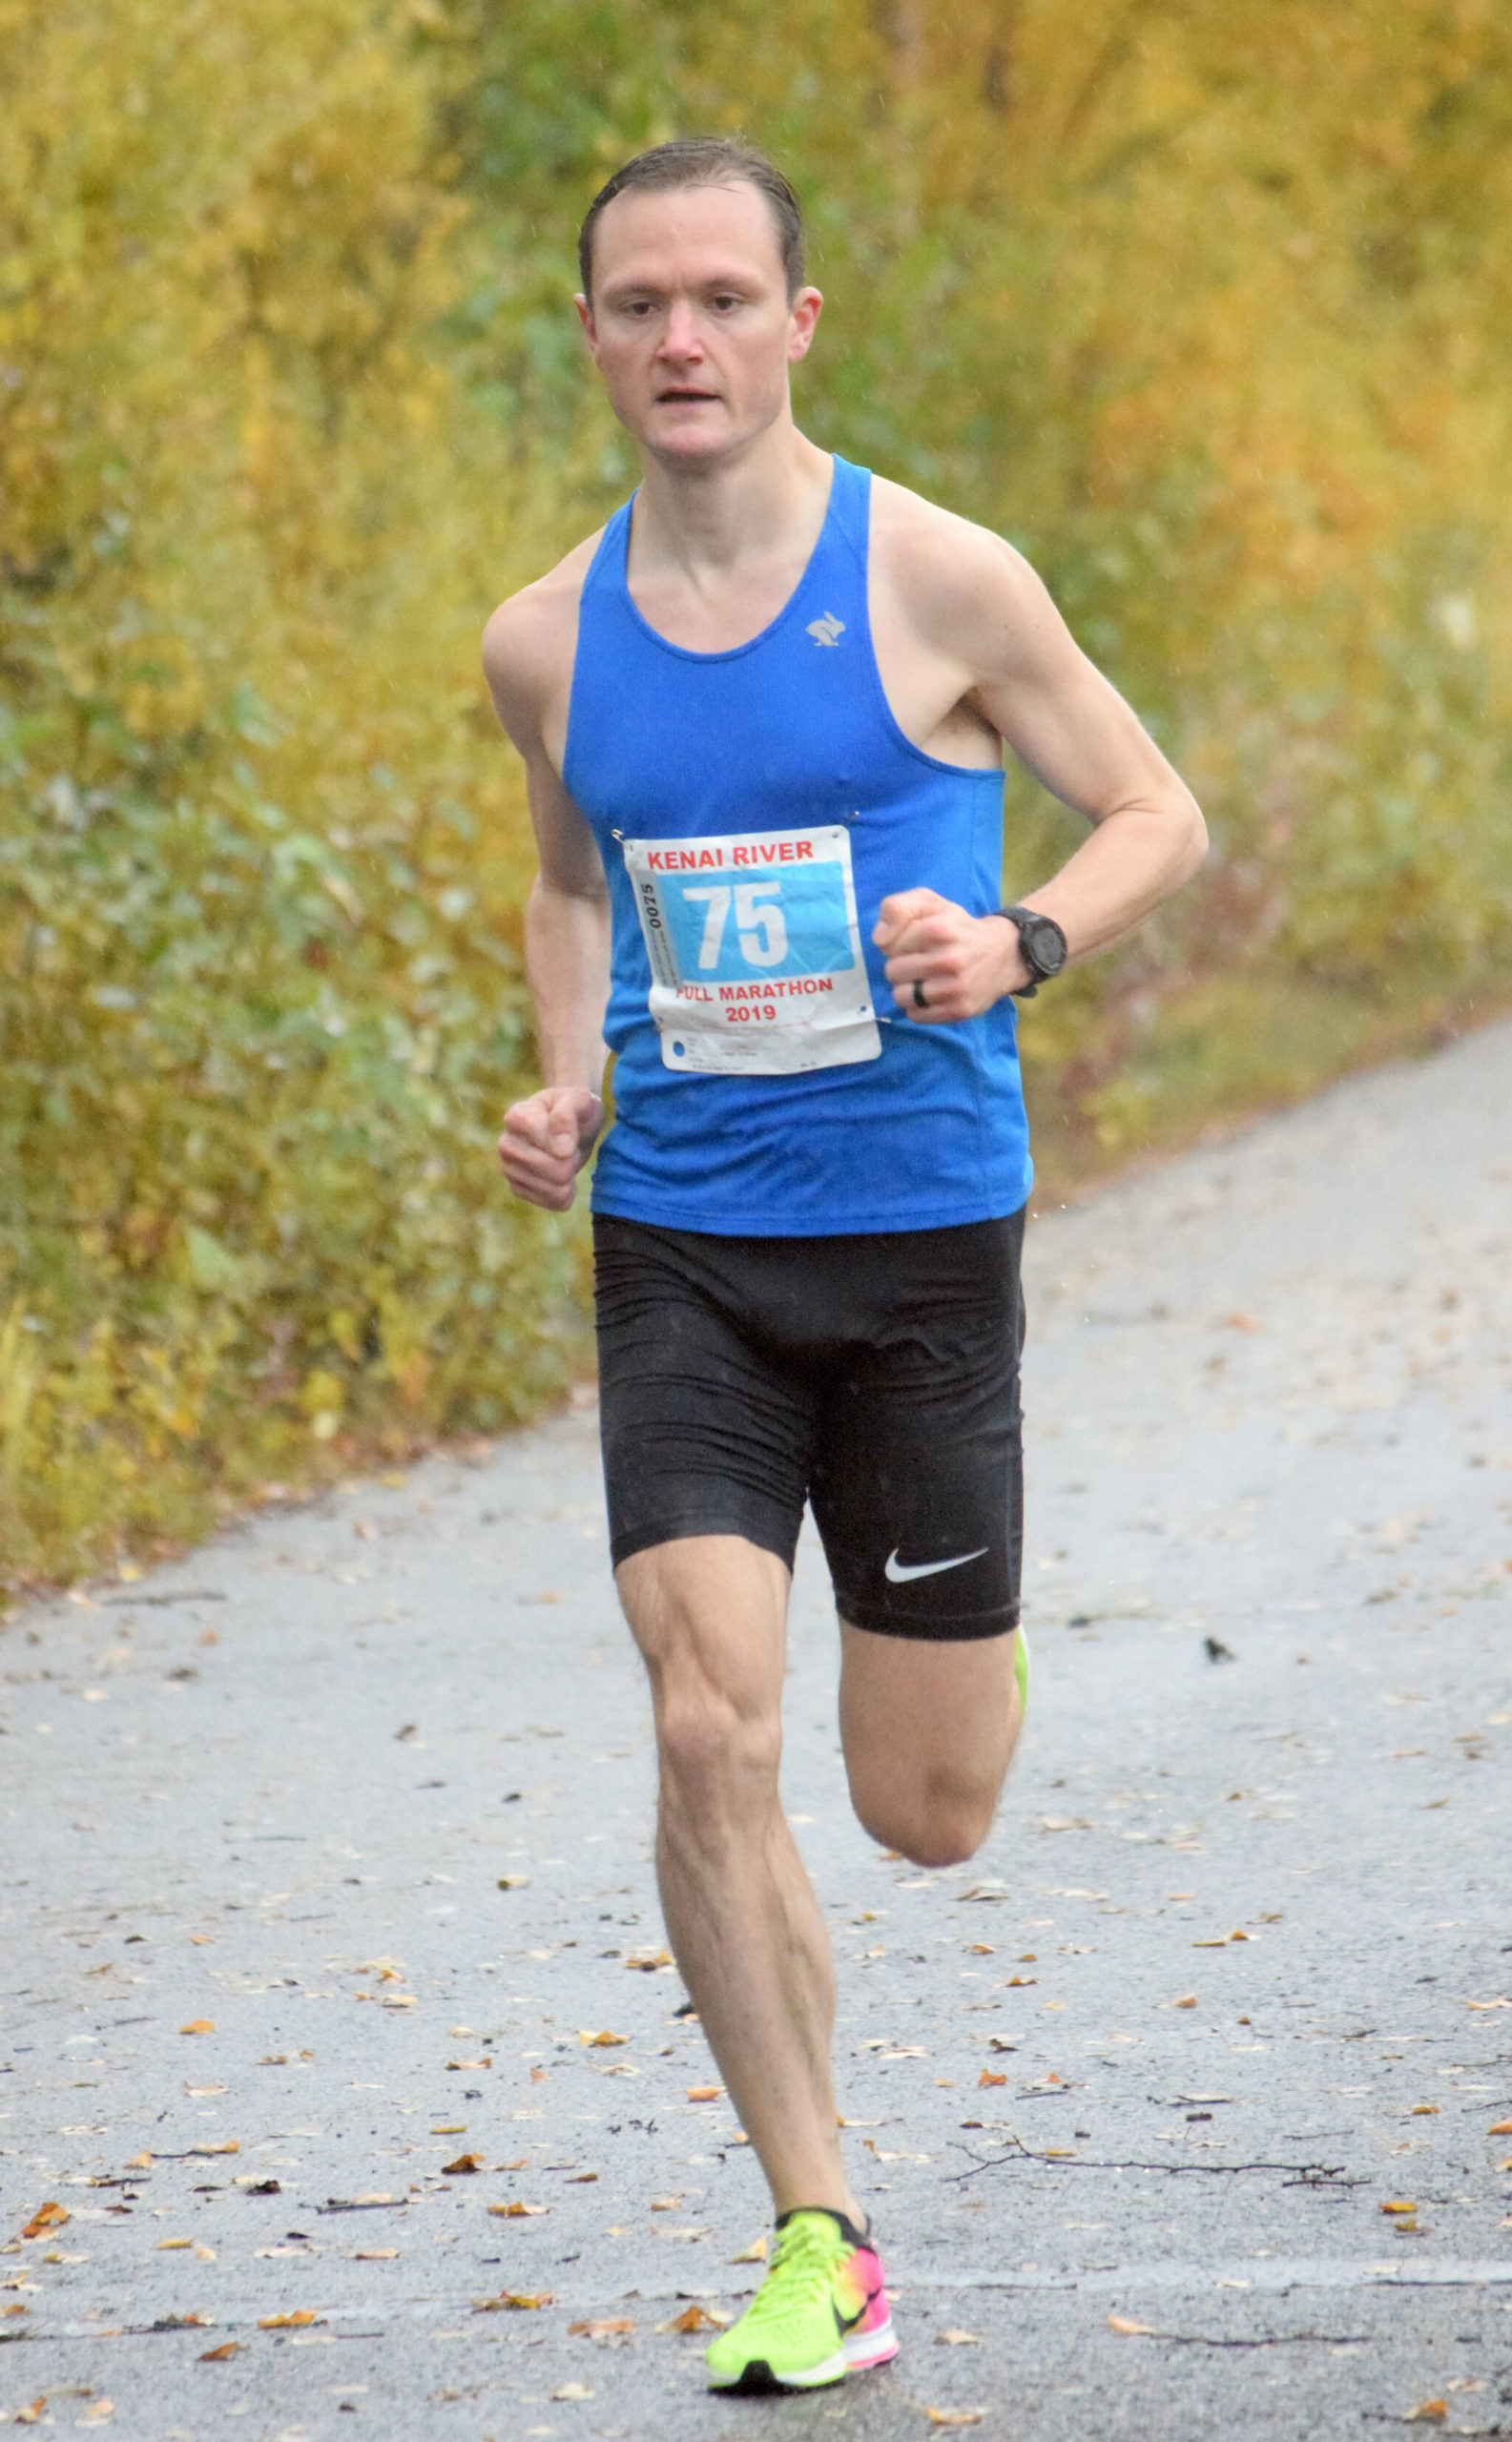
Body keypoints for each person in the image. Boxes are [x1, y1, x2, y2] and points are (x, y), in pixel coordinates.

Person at [483, 136, 1206, 2394]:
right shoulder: (541, 639)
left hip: (914, 1238)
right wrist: (568, 1075)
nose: (677, 339)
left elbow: (1156, 807)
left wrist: (1016, 939)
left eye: (719, 298)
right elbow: (575, 884)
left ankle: (963, 1657)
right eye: (635, 304)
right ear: (591, 333)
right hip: (683, 1239)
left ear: (798, 324)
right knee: (705, 1722)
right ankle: (823, 2225)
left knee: (925, 1806)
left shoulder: (939, 579)